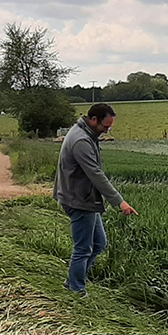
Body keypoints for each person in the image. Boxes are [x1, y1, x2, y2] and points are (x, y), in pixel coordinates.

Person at [52, 102, 136, 295]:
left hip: (85, 198)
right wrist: (119, 202)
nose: (106, 131)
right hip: (79, 200)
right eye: (104, 127)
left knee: (99, 243)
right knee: (84, 248)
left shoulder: (86, 134)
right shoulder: (81, 140)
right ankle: (76, 290)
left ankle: (74, 280)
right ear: (93, 119)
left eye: (109, 128)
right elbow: (95, 174)